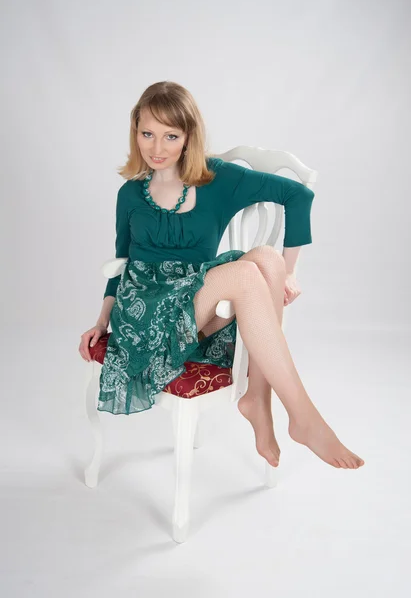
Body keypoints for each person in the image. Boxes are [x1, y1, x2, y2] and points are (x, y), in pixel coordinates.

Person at [79, 81, 365, 471]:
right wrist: (100, 322)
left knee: (266, 258)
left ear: (188, 136)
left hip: (193, 302)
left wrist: (290, 271)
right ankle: (303, 417)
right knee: (247, 274)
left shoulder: (216, 178)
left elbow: (299, 195)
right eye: (147, 133)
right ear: (136, 133)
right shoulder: (130, 193)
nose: (157, 148)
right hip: (144, 313)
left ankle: (258, 399)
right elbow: (122, 260)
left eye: (170, 135)